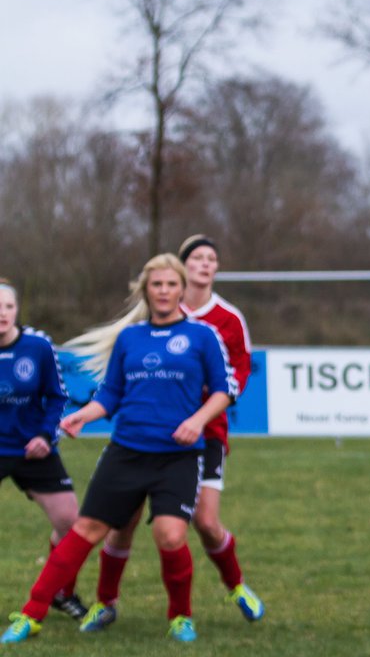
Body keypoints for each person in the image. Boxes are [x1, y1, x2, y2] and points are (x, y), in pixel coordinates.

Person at [1, 254, 238, 644]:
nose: (163, 291)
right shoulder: (130, 338)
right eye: (156, 285)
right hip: (126, 451)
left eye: (170, 284)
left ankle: (180, 616)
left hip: (178, 456)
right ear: (146, 290)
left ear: (181, 289)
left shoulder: (202, 336)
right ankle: (32, 613)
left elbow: (224, 389)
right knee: (85, 529)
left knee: (170, 536)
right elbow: (111, 393)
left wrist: (197, 421)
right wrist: (84, 416)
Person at [81, 234, 263, 635]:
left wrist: (198, 408)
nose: (205, 264)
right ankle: (105, 603)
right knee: (121, 522)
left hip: (203, 435)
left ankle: (235, 587)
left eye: (211, 258)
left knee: (206, 523)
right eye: (196, 257)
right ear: (180, 269)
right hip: (144, 437)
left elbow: (238, 376)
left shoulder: (227, 319)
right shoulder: (156, 311)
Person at [0, 278, 87, 619]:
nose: (2, 314)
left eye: (8, 306)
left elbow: (56, 396)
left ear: (17, 309)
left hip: (32, 448)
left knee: (70, 522)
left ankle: (62, 593)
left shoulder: (37, 346)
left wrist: (44, 435)